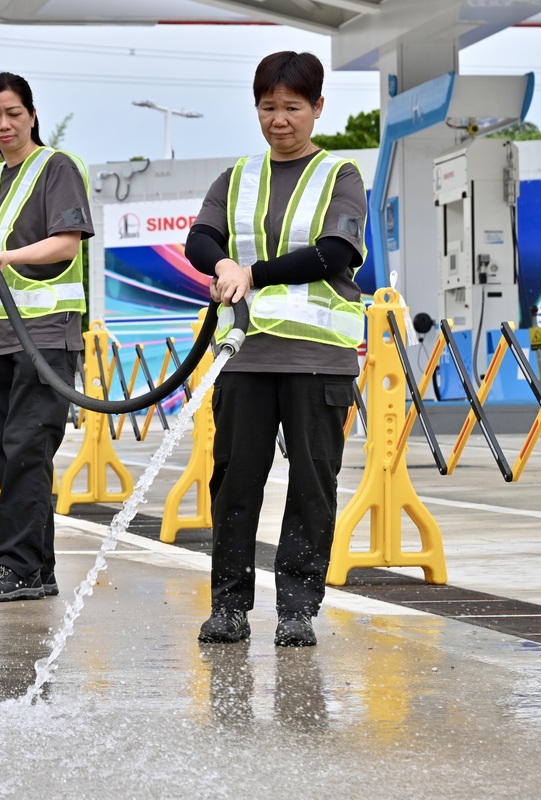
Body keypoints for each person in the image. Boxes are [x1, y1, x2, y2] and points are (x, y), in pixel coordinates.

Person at [185, 51, 367, 646]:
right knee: (235, 480)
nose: (279, 119)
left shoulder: (339, 174)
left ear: (317, 108)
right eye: (268, 107)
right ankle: (230, 607)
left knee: (312, 482)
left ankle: (297, 609)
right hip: (246, 354)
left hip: (317, 358)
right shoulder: (235, 177)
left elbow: (334, 254)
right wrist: (221, 264)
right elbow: (200, 238)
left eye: (292, 107)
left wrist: (252, 272)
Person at [0, 72, 94, 601]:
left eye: (11, 113)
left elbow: (65, 245)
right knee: (7, 455)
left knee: (28, 449)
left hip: (44, 335)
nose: (2, 124)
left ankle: (15, 567)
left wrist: (1, 259)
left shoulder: (56, 167)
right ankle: (38, 568)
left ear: (31, 113)